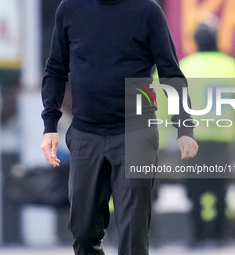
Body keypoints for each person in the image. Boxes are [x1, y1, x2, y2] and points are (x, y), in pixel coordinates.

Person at [40, 0, 198, 254]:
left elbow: (171, 73)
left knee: (133, 235)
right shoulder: (69, 9)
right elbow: (56, 70)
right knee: (82, 232)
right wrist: (50, 125)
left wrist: (185, 128)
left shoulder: (147, 11)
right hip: (85, 132)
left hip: (136, 132)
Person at [180, 14, 235, 247]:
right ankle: (221, 237)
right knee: (220, 187)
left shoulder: (186, 66)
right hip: (223, 136)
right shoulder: (230, 65)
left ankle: (197, 237)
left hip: (193, 136)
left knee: (195, 188)